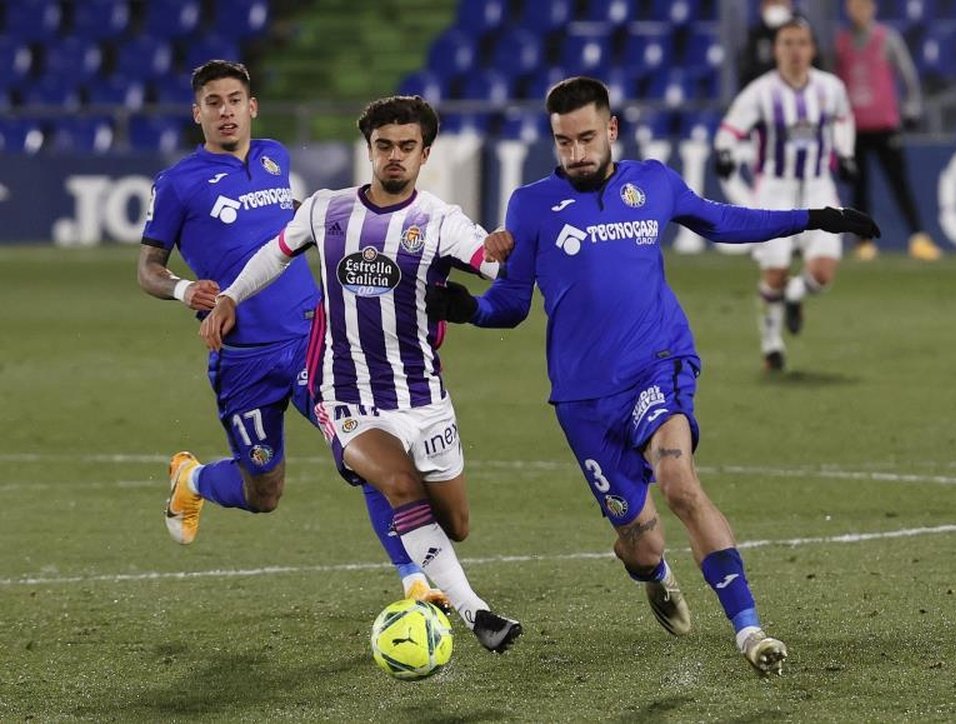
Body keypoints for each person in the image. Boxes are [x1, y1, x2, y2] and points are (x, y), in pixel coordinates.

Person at [426, 76, 879, 674]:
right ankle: (652, 572)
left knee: (680, 483)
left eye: (587, 137)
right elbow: (511, 303)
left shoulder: (653, 183)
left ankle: (750, 631)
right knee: (642, 542)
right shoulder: (531, 205)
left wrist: (813, 218)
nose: (577, 153)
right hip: (583, 396)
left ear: (611, 129)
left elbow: (721, 220)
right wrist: (468, 309)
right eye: (564, 142)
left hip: (656, 364)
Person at [198, 95, 523, 653]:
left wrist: (501, 248)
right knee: (396, 485)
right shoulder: (327, 210)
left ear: (425, 154)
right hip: (344, 394)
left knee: (458, 524)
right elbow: (274, 255)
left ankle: (437, 574)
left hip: (423, 397)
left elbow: (495, 266)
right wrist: (230, 296)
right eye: (383, 146)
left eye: (406, 147)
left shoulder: (439, 221)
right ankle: (478, 615)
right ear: (369, 149)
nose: (394, 157)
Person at [137, 61, 444, 607]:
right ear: (197, 113)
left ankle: (414, 580)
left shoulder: (275, 157)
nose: (226, 110)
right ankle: (194, 481)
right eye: (214, 102)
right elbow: (148, 269)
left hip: (312, 341)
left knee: (366, 453)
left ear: (251, 106)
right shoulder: (179, 182)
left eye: (235, 99)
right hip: (243, 358)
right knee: (264, 492)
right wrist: (186, 292)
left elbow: (296, 222)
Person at [715, 18, 858, 372]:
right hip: (775, 191)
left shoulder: (830, 88)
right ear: (776, 49)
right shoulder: (761, 92)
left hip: (817, 185)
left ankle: (796, 296)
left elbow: (843, 119)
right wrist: (725, 153)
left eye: (801, 43)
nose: (795, 50)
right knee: (775, 273)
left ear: (812, 48)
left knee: (822, 273)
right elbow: (729, 130)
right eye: (787, 43)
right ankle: (771, 344)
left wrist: (846, 152)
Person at [835, 0, 942, 261]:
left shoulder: (887, 39)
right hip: (855, 127)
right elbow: (834, 85)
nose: (858, 11)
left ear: (872, 8)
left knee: (900, 185)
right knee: (859, 187)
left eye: (862, 6)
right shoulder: (841, 43)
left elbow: (908, 75)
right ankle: (862, 242)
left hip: (885, 125)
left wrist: (912, 108)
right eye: (853, 6)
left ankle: (918, 237)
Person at [737, 0, 821, 88]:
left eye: (778, 2)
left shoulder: (802, 29)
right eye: (771, 2)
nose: (775, 6)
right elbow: (747, 71)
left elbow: (816, 63)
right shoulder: (756, 34)